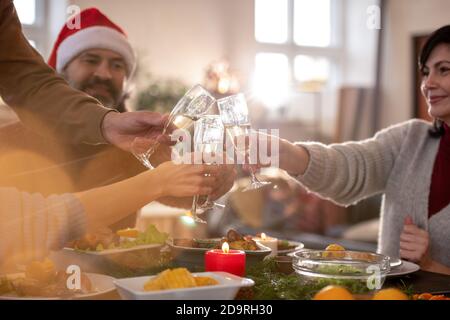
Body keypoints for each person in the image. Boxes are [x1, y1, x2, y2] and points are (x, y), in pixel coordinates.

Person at [251, 25, 450, 275]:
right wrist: (285, 152)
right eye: (425, 72)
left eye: (443, 70)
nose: (428, 83)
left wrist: (433, 266)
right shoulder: (410, 140)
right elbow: (349, 167)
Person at [0, 0, 166, 151]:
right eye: (91, 61)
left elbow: (25, 79)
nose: (104, 74)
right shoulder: (10, 146)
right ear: (62, 70)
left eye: (117, 65)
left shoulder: (144, 146)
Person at [0, 159, 220, 270]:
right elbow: (42, 219)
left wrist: (213, 184)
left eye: (117, 66)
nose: (103, 74)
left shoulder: (130, 142)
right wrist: (159, 180)